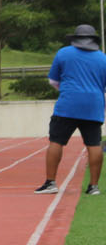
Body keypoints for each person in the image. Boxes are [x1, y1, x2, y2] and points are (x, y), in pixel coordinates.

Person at [34, 24, 106, 195]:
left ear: (75, 38)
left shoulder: (63, 53)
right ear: (94, 40)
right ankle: (93, 186)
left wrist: (68, 90)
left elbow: (53, 81)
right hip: (93, 106)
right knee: (94, 144)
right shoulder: (103, 58)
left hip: (68, 105)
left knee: (56, 141)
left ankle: (50, 182)